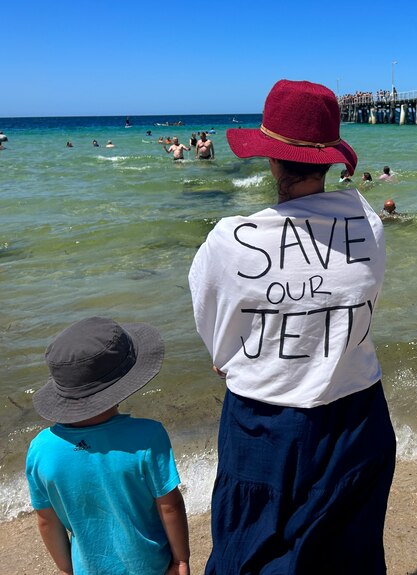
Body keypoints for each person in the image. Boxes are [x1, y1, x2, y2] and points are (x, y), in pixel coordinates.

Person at [188, 79, 396, 575]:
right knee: (349, 557)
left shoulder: (229, 239)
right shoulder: (368, 224)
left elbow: (212, 328)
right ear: (328, 159)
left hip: (264, 423)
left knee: (249, 554)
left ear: (270, 160)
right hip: (359, 416)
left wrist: (228, 360)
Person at [25, 317, 190, 575]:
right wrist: (180, 559)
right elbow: (170, 505)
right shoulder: (148, 435)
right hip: (150, 567)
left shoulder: (41, 450)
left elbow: (47, 521)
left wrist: (70, 570)